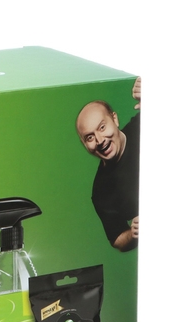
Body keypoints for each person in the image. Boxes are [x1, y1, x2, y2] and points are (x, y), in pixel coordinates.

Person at [76, 77, 140, 252]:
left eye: (102, 127)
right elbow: (117, 238)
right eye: (90, 137)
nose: (99, 140)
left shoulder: (144, 126)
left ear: (115, 119)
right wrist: (133, 233)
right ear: (84, 144)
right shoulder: (101, 191)